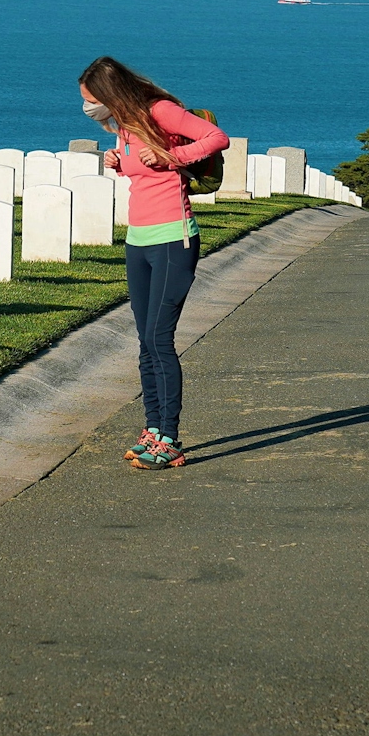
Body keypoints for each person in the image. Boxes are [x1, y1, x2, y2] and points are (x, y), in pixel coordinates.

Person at [78, 56, 229, 470]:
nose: (89, 108)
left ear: (112, 94)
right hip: (138, 240)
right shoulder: (126, 126)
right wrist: (120, 164)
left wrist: (172, 158)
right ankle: (152, 429)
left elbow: (217, 138)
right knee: (145, 341)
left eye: (92, 100)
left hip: (172, 239)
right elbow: (144, 169)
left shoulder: (160, 111)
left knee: (160, 340)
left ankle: (171, 438)